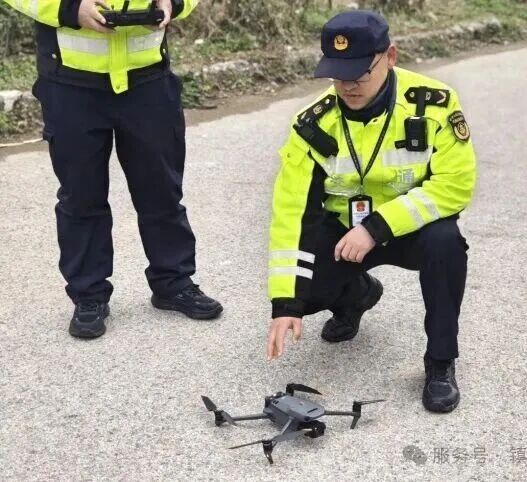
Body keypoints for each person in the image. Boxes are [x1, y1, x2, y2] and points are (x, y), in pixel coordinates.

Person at [265, 10, 476, 413]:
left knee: (446, 243)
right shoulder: (313, 124)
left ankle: (440, 362)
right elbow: (292, 212)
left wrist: (377, 227)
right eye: (337, 74)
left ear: (390, 57)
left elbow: (455, 185)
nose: (348, 85)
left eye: (359, 73)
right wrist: (285, 305)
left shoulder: (433, 105)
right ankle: (357, 295)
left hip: (410, 230)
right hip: (346, 233)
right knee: (302, 291)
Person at [4, 0, 222, 338]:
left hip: (148, 79)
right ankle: (89, 295)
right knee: (81, 196)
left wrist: (173, 3)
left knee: (161, 191)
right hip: (70, 83)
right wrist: (69, 8)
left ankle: (173, 282)